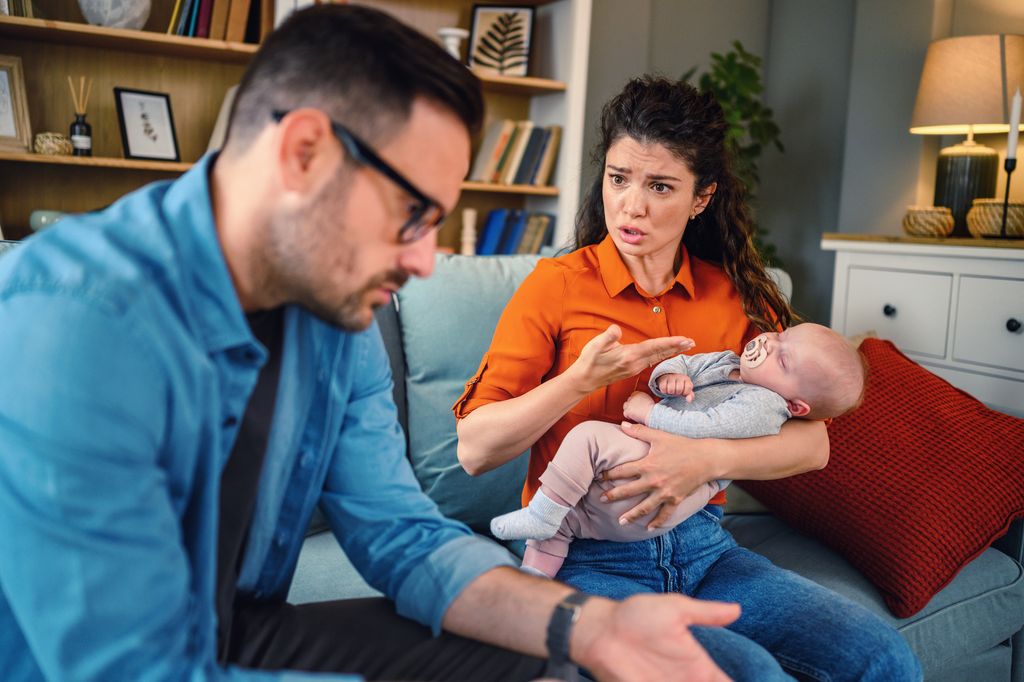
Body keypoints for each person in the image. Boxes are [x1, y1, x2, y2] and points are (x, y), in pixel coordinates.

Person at [0, 9, 742, 681]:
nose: (424, 261)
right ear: (304, 154)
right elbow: (122, 668)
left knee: (547, 658)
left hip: (239, 631)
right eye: (412, 213)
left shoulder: (337, 315)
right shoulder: (74, 318)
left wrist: (591, 626)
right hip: (86, 665)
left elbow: (400, 534)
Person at [454, 76, 922, 681]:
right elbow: (473, 450)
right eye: (619, 178)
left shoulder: (734, 296)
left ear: (702, 198)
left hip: (707, 551)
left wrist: (702, 461)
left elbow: (814, 444)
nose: (632, 205)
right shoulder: (556, 287)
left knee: (883, 659)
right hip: (585, 559)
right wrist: (576, 381)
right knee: (748, 673)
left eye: (660, 186)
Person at [490, 323, 867, 578]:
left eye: (782, 359)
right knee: (567, 523)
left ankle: (542, 512)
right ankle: (534, 579)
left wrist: (650, 411)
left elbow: (705, 430)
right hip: (632, 496)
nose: (769, 345)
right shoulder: (728, 363)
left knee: (588, 437)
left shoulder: (764, 405)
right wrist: (668, 377)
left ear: (797, 405)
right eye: (781, 336)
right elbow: (686, 362)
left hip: (671, 497)